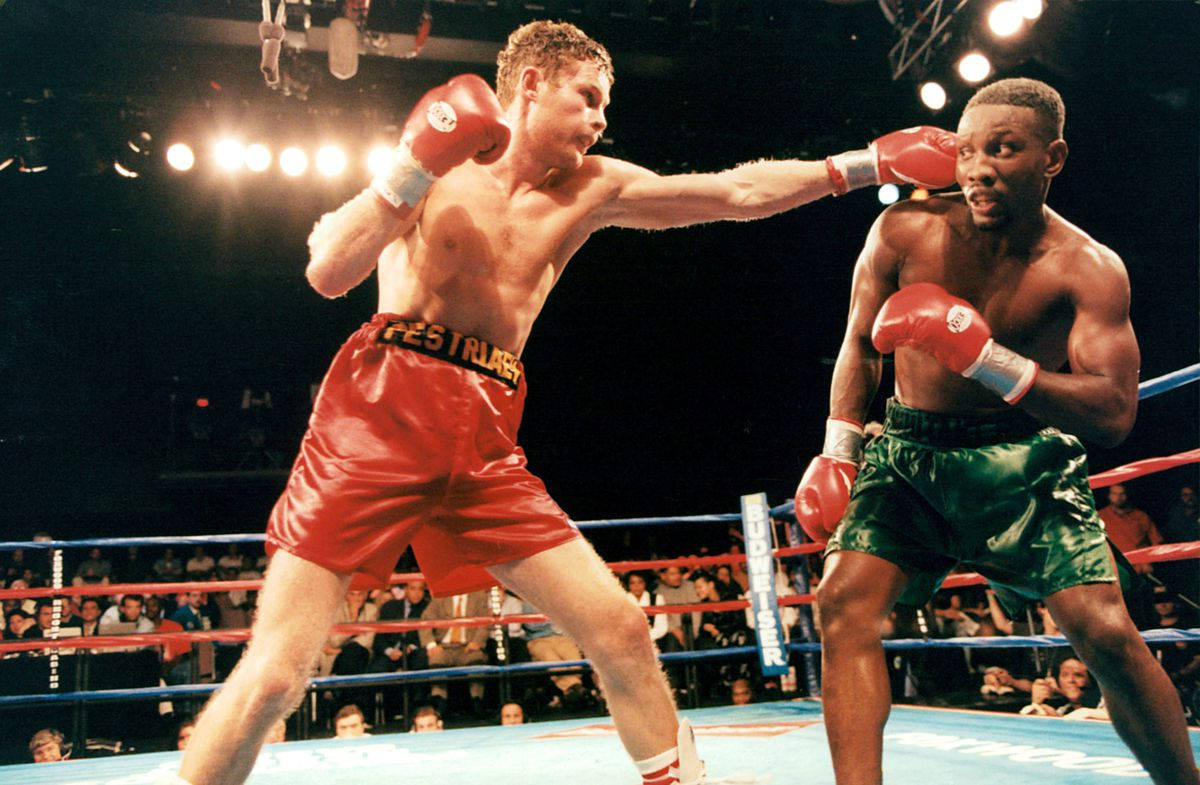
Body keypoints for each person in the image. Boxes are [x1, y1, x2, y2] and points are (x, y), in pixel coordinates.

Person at [174, 19, 955, 785]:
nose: (601, 115)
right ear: (532, 86)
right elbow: (327, 269)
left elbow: (734, 192)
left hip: (485, 428)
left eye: (604, 101)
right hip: (378, 409)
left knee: (618, 626)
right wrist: (411, 165)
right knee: (278, 672)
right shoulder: (440, 163)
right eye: (587, 95)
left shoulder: (595, 187)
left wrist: (861, 163)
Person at [794, 77, 1197, 784]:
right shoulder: (901, 229)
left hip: (1024, 461)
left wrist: (987, 360)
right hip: (910, 457)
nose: (979, 167)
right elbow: (860, 344)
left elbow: (1114, 412)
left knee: (1104, 630)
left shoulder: (1088, 267)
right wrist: (839, 447)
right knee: (842, 603)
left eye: (1004, 149)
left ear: (1053, 158)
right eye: (969, 150)